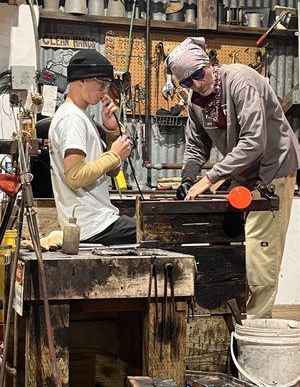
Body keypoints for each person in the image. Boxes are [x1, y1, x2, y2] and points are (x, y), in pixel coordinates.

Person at [165, 37, 300, 319]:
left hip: (272, 168)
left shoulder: (240, 81)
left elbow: (254, 142)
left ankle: (256, 328)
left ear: (210, 65)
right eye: (188, 82)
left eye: (199, 75)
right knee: (232, 234)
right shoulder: (197, 102)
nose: (197, 85)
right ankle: (233, 312)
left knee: (261, 250)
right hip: (243, 172)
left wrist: (210, 178)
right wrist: (189, 178)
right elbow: (195, 146)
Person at [49, 49, 136, 245]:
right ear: (81, 80)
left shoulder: (81, 116)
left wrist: (112, 131)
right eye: (101, 84)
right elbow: (75, 177)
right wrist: (114, 155)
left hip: (94, 221)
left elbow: (112, 172)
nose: (105, 91)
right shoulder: (72, 119)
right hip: (92, 225)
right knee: (154, 232)